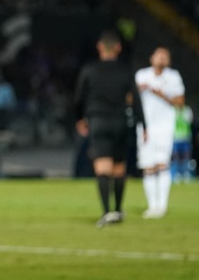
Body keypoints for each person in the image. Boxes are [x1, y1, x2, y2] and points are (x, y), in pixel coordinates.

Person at [75, 31, 144, 227]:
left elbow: (78, 98)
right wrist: (143, 124)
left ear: (99, 47)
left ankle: (107, 212)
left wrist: (80, 118)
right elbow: (136, 100)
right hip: (120, 122)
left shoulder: (89, 70)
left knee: (102, 168)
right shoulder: (125, 70)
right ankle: (118, 209)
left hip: (98, 121)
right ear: (118, 48)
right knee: (119, 168)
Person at [135, 46, 185, 217]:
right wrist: (137, 91)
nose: (161, 58)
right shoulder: (141, 75)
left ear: (169, 61)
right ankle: (152, 206)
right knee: (148, 165)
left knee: (162, 163)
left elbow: (180, 102)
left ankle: (162, 206)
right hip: (145, 126)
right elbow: (129, 97)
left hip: (164, 126)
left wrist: (159, 93)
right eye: (159, 55)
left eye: (165, 56)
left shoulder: (173, 76)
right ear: (152, 58)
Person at [172, 104, 194, 182]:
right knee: (176, 157)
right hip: (176, 138)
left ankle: (185, 173)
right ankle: (176, 174)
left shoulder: (187, 110)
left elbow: (190, 121)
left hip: (186, 137)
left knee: (186, 156)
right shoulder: (174, 110)